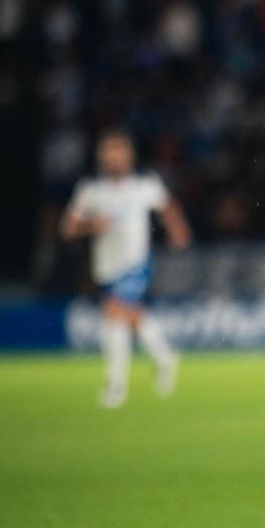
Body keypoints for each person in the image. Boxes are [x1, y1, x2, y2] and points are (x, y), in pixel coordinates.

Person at [61, 130, 191, 408]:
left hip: (137, 264)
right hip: (106, 269)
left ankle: (116, 386)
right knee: (131, 317)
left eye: (119, 155)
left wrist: (178, 231)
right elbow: (68, 227)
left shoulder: (144, 185)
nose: (114, 160)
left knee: (114, 315)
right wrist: (90, 225)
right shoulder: (91, 191)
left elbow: (168, 207)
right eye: (109, 155)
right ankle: (165, 357)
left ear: (129, 157)